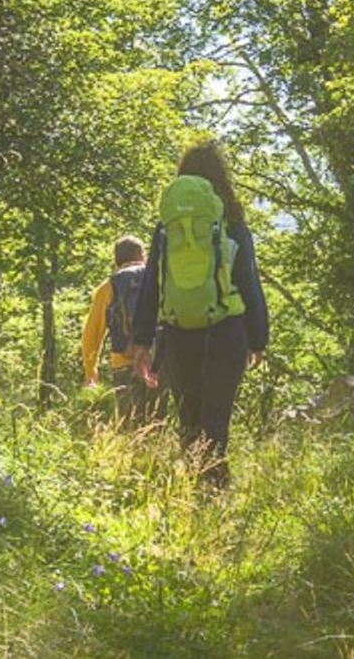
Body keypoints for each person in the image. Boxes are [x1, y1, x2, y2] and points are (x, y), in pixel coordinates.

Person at [128, 140, 268, 487]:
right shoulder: (232, 223)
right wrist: (258, 338)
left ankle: (195, 492)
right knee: (217, 417)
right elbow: (248, 281)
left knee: (189, 417)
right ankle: (216, 494)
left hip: (178, 332)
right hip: (227, 330)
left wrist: (142, 341)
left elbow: (152, 284)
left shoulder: (167, 228)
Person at [79, 236, 164, 425]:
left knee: (130, 425)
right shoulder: (159, 278)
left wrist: (91, 373)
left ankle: (133, 454)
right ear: (142, 255)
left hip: (124, 362)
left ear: (116, 260)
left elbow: (91, 335)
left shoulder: (109, 286)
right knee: (157, 425)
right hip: (157, 362)